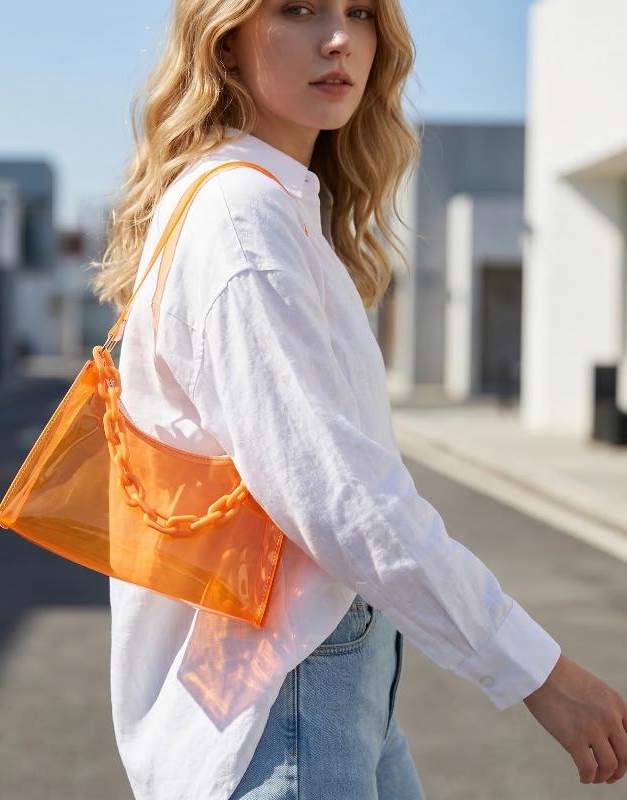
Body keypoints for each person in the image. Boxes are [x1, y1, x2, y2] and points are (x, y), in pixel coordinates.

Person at [87, 0, 627, 797]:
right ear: (226, 39)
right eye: (299, 8)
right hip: (288, 692)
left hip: (319, 667)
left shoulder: (269, 205)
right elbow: (340, 497)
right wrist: (538, 671)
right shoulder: (241, 219)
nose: (340, 39)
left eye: (362, 12)